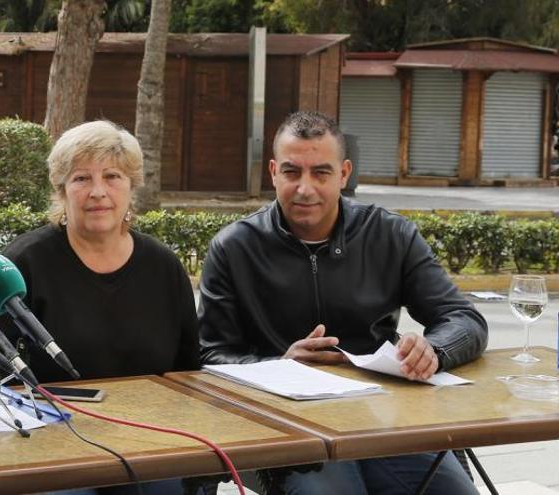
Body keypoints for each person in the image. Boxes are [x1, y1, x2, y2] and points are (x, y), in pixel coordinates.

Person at [198, 111, 487, 494]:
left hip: (382, 416)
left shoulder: (390, 234)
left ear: (344, 173)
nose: (305, 189)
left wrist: (432, 350)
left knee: (454, 492)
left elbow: (464, 319)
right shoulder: (234, 247)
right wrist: (279, 367)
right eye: (291, 172)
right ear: (272, 172)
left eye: (321, 172)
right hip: (285, 425)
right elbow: (209, 356)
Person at [0, 120, 200, 495]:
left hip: (149, 437)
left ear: (131, 187)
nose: (97, 192)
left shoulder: (164, 267)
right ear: (61, 190)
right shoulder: (24, 264)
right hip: (53, 440)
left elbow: (187, 373)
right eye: (81, 179)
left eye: (112, 177)